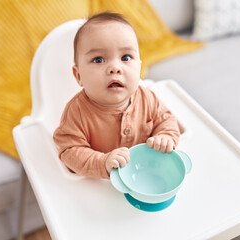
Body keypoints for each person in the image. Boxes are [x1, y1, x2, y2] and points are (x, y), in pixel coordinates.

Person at [53, 12, 180, 179]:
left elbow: (166, 120)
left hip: (144, 176)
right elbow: (69, 151)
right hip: (99, 187)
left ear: (139, 68)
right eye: (98, 60)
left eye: (125, 57)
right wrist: (102, 162)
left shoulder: (147, 98)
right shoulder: (76, 113)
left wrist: (165, 136)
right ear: (79, 76)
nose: (115, 68)